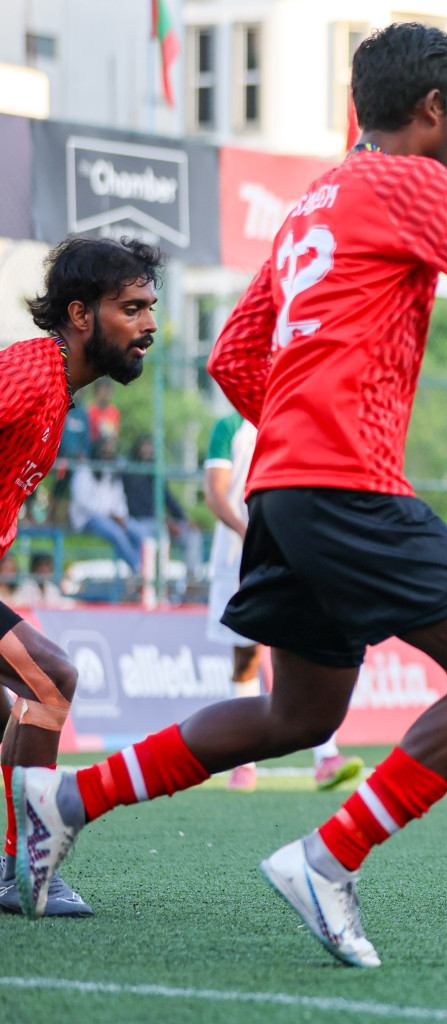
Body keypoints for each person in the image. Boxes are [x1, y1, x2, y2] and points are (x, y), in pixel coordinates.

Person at [15, 23, 447, 965]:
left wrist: (302, 427)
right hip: (345, 484)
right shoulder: (412, 181)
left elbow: (231, 356)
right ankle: (330, 858)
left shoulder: (315, 200)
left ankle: (62, 801)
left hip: (285, 491)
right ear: (430, 108)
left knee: (298, 718)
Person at [0, 234, 165, 916]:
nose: (150, 324)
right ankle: (27, 869)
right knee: (51, 677)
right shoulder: (31, 374)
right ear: (79, 314)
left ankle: (15, 868)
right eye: (132, 308)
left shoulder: (58, 391)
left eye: (152, 307)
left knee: (13, 710)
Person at [203, 412, 363, 793]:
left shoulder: (297, 419)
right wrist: (252, 532)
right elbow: (215, 493)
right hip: (238, 558)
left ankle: (326, 756)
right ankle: (244, 764)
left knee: (301, 647)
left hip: (290, 551)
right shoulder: (229, 427)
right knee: (245, 658)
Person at [69, 433, 152, 575]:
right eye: (105, 451)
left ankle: (146, 571)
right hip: (89, 519)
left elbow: (119, 499)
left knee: (143, 534)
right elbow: (83, 501)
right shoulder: (84, 470)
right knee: (117, 534)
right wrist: (110, 514)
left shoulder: (111, 472)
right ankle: (139, 571)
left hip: (114, 517)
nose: (108, 455)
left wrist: (120, 515)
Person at [124, 435, 203, 582]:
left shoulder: (155, 473)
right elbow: (136, 507)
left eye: (150, 446)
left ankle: (192, 581)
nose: (148, 450)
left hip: (161, 521)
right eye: (144, 446)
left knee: (193, 534)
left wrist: (185, 518)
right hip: (141, 521)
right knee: (161, 534)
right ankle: (159, 583)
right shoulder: (130, 473)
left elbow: (169, 500)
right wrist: (163, 519)